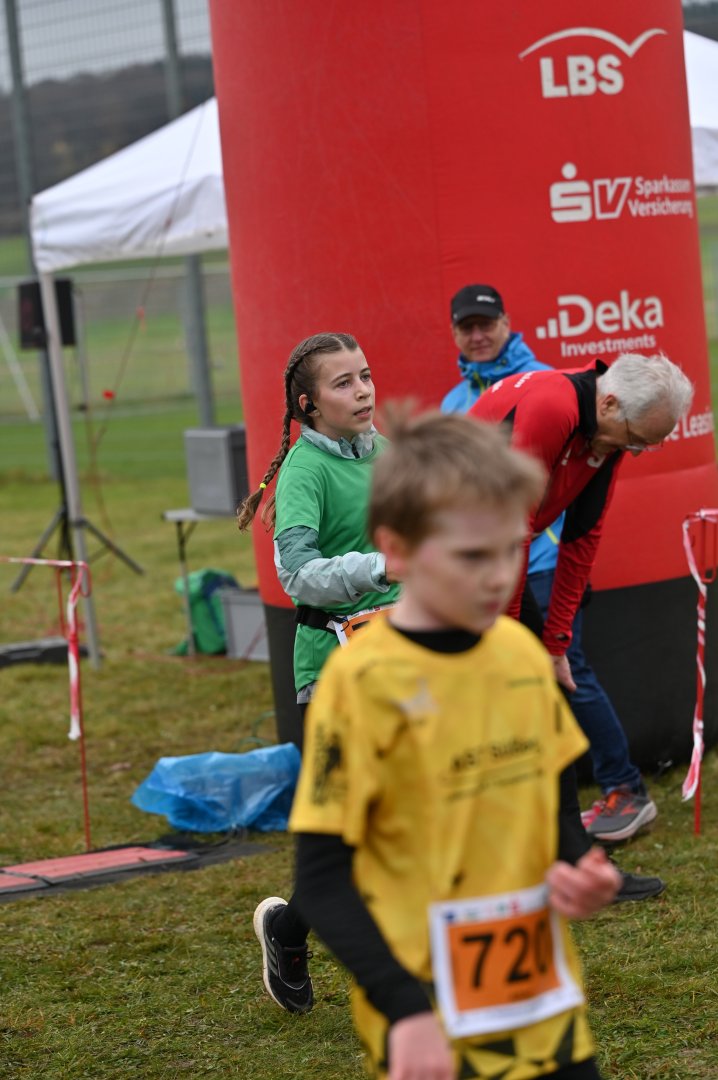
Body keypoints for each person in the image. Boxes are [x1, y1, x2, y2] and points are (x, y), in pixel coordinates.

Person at [290, 410, 621, 1080]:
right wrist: (406, 1011)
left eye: (510, 550)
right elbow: (321, 882)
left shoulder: (519, 655)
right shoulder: (362, 683)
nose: (499, 577)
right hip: (427, 1019)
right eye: (472, 557)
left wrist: (580, 865)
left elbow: (551, 804)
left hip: (542, 1006)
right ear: (398, 548)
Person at [443, 285, 657, 845]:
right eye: (466, 327)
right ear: (456, 334)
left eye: (486, 323)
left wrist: (544, 633)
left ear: (506, 323)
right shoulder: (459, 400)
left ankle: (615, 795)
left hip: (529, 562)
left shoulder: (557, 390)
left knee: (560, 673)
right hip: (479, 569)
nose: (477, 335)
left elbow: (575, 529)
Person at [237, 331, 401, 1015]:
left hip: (403, 658)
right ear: (307, 404)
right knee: (350, 841)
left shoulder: (388, 453)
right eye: (343, 383)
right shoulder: (305, 471)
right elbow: (298, 575)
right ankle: (290, 929)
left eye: (365, 375)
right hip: (333, 668)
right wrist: (382, 567)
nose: (362, 391)